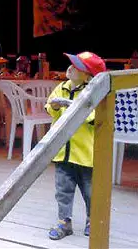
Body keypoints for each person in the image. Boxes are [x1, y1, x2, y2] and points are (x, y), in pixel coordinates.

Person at [45, 51, 106, 240]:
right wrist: (54, 107)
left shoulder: (92, 94)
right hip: (63, 151)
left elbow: (94, 117)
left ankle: (92, 220)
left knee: (90, 191)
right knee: (62, 190)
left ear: (88, 76)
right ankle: (64, 221)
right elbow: (50, 108)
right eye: (71, 64)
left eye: (77, 67)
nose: (70, 68)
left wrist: (73, 107)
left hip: (86, 154)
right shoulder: (61, 87)